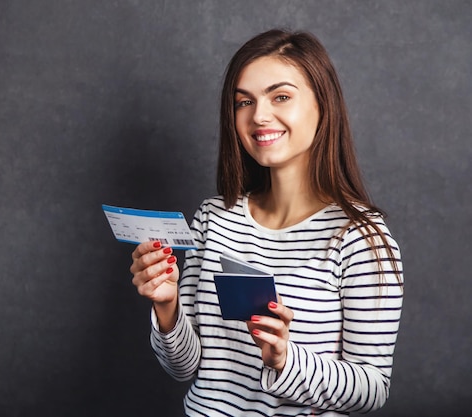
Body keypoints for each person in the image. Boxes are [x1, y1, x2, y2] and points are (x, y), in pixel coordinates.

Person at [129, 29, 404, 416]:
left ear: (323, 105)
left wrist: (285, 360)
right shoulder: (213, 217)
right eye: (244, 101)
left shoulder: (361, 237)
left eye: (281, 96)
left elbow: (372, 389)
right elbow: (185, 368)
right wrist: (168, 307)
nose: (258, 115)